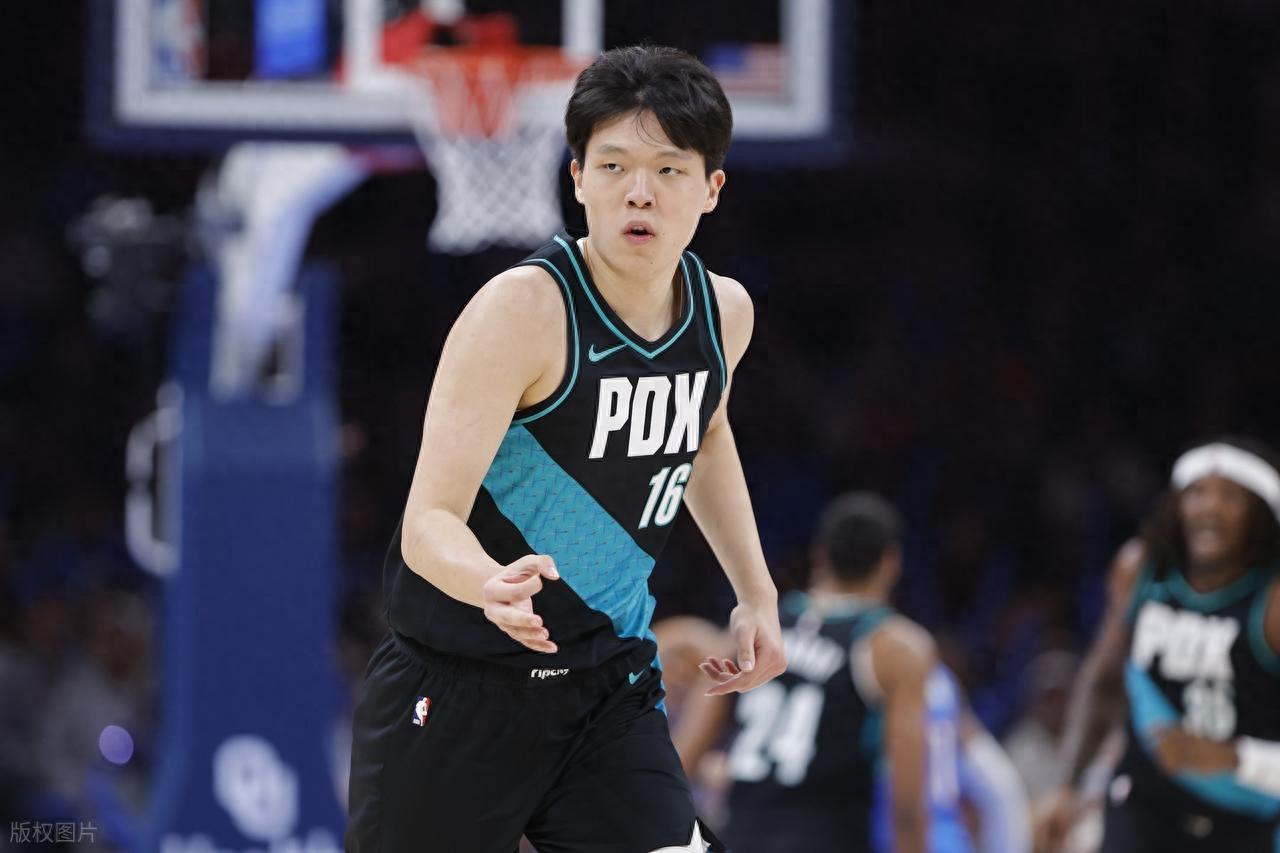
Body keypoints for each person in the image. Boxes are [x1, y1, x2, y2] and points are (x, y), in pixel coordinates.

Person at [345, 45, 786, 853]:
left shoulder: (724, 313)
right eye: (613, 165)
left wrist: (756, 593)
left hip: (605, 689)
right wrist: (488, 583)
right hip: (460, 682)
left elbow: (706, 430)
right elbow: (428, 520)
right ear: (578, 178)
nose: (639, 191)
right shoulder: (522, 312)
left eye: (669, 169)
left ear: (711, 188)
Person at [675, 492, 1029, 853]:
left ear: (819, 554)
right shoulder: (894, 647)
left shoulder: (751, 629)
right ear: (892, 562)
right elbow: (907, 804)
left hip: (738, 839)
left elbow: (678, 764)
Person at [1037, 438, 1280, 852]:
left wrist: (1237, 758)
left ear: (1261, 515)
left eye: (1231, 497)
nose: (1210, 508)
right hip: (1143, 803)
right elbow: (1104, 681)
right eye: (1197, 492)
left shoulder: (1271, 600)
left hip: (1245, 819)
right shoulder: (1140, 570)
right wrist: (1067, 785)